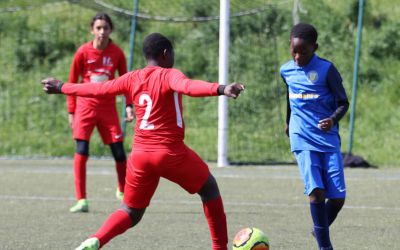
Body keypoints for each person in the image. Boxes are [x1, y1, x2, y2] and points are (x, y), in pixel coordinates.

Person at [41, 33, 245, 250]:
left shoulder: (132, 77)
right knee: (209, 189)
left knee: (131, 211)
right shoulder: (169, 74)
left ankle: (97, 239)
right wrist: (222, 89)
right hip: (169, 153)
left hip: (139, 156)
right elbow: (188, 86)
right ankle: (219, 248)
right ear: (166, 54)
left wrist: (62, 87)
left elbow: (97, 89)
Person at [280, 23, 349, 250]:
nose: (298, 57)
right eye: (294, 51)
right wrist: (289, 121)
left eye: (304, 52)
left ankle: (319, 229)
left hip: (327, 140)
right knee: (316, 192)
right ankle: (325, 247)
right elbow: (291, 98)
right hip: (301, 137)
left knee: (337, 198)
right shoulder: (286, 70)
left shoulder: (327, 70)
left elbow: (343, 103)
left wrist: (332, 119)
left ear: (315, 47)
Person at [66, 13, 134, 213]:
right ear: (92, 30)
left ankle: (122, 190)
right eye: (98, 28)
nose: (102, 32)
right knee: (82, 151)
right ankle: (81, 200)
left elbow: (126, 82)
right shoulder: (82, 52)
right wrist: (71, 112)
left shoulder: (117, 53)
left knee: (119, 153)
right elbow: (71, 83)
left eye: (105, 28)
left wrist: (129, 105)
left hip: (108, 109)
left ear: (110, 30)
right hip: (85, 108)